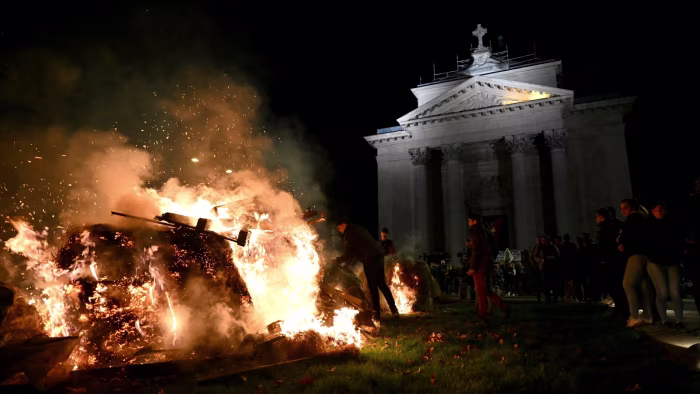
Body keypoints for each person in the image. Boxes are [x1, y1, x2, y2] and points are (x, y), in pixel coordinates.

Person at [336, 218, 399, 321]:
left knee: (373, 287)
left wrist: (339, 261)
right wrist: (347, 263)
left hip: (369, 258)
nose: (339, 230)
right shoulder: (357, 228)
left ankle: (376, 314)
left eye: (339, 228)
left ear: (344, 225)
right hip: (378, 255)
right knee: (382, 284)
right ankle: (394, 310)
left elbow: (349, 252)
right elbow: (355, 251)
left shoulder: (348, 233)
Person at [647, 202, 684, 328]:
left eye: (663, 209)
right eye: (659, 210)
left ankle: (679, 320)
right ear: (652, 211)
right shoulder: (650, 225)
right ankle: (664, 319)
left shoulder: (671, 224)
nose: (662, 212)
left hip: (671, 261)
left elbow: (678, 239)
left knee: (675, 291)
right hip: (656, 261)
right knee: (662, 292)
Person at [618, 199, 654, 327]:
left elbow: (627, 236)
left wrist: (621, 241)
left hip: (636, 254)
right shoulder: (644, 218)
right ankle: (648, 316)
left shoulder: (632, 219)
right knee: (644, 286)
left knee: (627, 283)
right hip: (645, 254)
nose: (622, 211)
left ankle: (634, 315)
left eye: (625, 208)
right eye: (621, 208)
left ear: (631, 208)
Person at [466, 214, 509, 320]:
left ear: (474, 221)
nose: (468, 223)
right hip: (488, 263)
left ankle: (483, 314)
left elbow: (477, 251)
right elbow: (487, 247)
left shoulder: (475, 232)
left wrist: (472, 267)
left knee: (481, 290)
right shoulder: (486, 231)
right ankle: (504, 307)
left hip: (480, 265)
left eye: (469, 221)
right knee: (487, 290)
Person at [595, 207, 629, 320]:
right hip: (616, 259)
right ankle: (621, 309)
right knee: (616, 286)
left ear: (601, 216)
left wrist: (604, 258)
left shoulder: (607, 227)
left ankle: (622, 310)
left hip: (611, 261)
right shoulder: (615, 224)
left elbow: (606, 244)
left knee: (615, 286)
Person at [536, 236, 561, 303]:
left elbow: (557, 255)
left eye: (544, 240)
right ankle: (548, 297)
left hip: (552, 268)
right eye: (542, 240)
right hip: (544, 268)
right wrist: (540, 260)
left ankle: (555, 297)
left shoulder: (552, 247)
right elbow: (536, 256)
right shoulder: (540, 247)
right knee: (545, 283)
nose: (543, 242)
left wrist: (552, 258)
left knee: (554, 283)